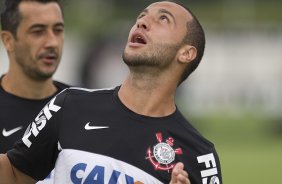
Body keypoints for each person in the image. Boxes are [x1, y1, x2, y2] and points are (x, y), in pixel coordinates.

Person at [0, 0, 222, 183]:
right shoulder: (69, 105)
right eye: (141, 16)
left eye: (163, 19)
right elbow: (13, 174)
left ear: (186, 53)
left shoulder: (201, 158)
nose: (142, 22)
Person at [0, 0, 69, 183]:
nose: (52, 42)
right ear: (8, 40)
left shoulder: (82, 106)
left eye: (58, 30)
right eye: (38, 32)